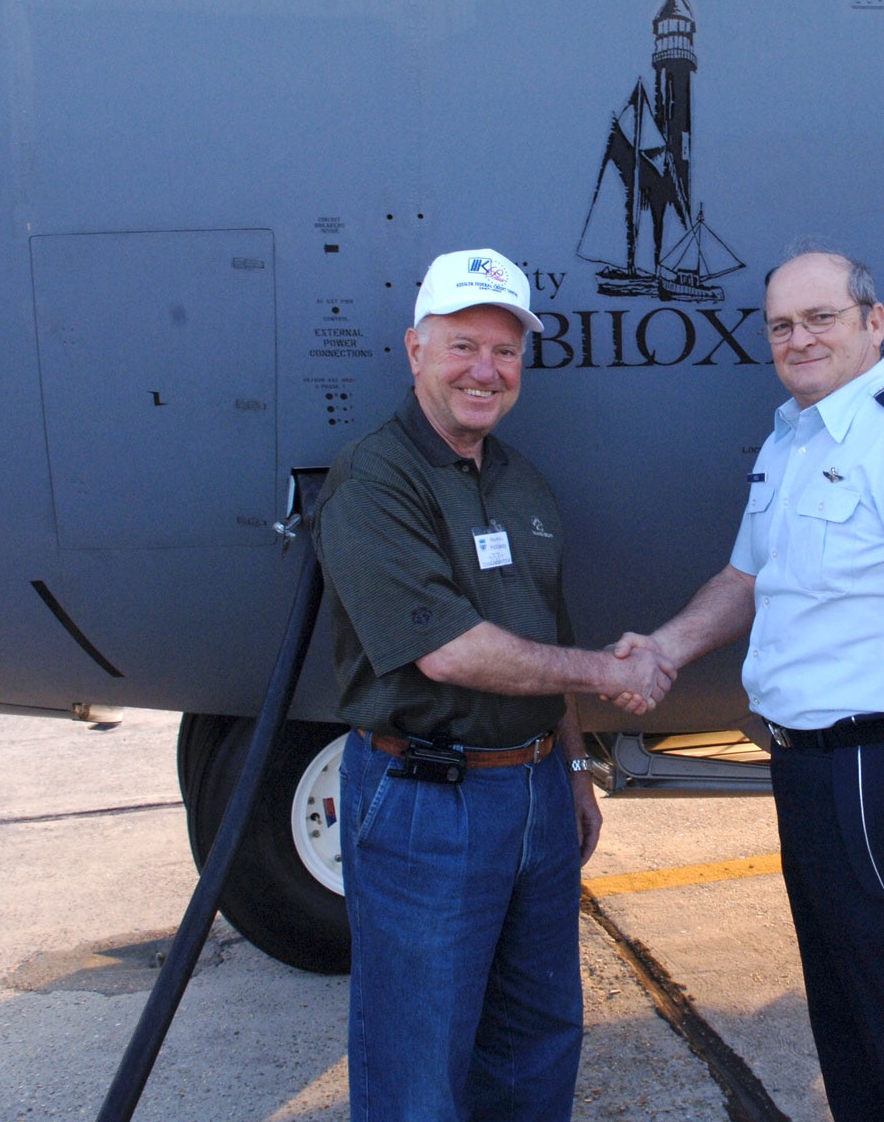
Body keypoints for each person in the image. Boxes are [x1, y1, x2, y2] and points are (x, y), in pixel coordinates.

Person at [616, 245, 884, 1121]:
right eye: (782, 326)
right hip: (811, 776)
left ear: (874, 323)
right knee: (853, 1033)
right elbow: (747, 581)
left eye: (821, 318)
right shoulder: (792, 440)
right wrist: (667, 649)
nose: (799, 339)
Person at [315, 247, 675, 1122]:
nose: (487, 370)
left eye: (506, 351)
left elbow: (538, 637)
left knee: (538, 1038)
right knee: (420, 1062)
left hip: (534, 796)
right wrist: (611, 670)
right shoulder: (374, 479)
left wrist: (574, 769)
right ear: (415, 350)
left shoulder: (522, 482)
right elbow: (450, 653)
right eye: (463, 346)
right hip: (422, 802)